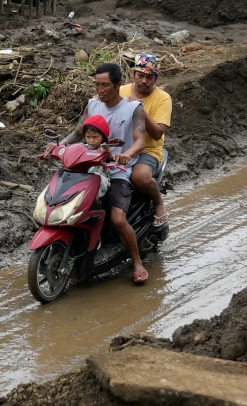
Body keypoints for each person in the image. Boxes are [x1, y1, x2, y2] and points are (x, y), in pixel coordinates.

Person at [71, 62, 155, 285]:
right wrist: (57, 146)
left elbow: (140, 141)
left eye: (105, 85)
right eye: (97, 85)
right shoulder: (92, 104)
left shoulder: (132, 108)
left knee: (118, 218)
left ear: (118, 85)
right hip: (89, 168)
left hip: (117, 170)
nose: (100, 90)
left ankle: (137, 261)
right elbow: (78, 133)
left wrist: (126, 154)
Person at [120, 52, 172, 228]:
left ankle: (158, 202)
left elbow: (158, 133)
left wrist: (139, 109)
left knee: (140, 177)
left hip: (147, 150)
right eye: (140, 75)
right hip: (120, 146)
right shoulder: (121, 91)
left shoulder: (163, 98)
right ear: (134, 74)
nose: (144, 81)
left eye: (149, 77)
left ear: (156, 78)